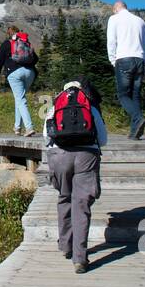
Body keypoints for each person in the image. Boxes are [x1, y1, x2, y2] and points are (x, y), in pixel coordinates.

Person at [45, 77, 108, 274]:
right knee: (81, 205)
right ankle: (79, 258)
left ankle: (65, 246)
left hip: (59, 156)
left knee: (64, 198)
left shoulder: (55, 105)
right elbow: (103, 140)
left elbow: (47, 136)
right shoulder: (90, 105)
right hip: (86, 156)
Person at [106, 0, 145, 140]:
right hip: (140, 60)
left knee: (123, 95)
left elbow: (111, 41)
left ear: (116, 8)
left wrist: (113, 60)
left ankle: (138, 118)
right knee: (135, 95)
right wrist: (144, 59)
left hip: (124, 59)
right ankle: (134, 133)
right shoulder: (140, 21)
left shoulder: (114, 19)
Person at [0, 25, 39, 136]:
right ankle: (17, 127)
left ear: (8, 34)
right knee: (20, 98)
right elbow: (36, 58)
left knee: (20, 99)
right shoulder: (25, 43)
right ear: (18, 33)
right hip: (30, 73)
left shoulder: (6, 44)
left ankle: (29, 127)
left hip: (14, 73)